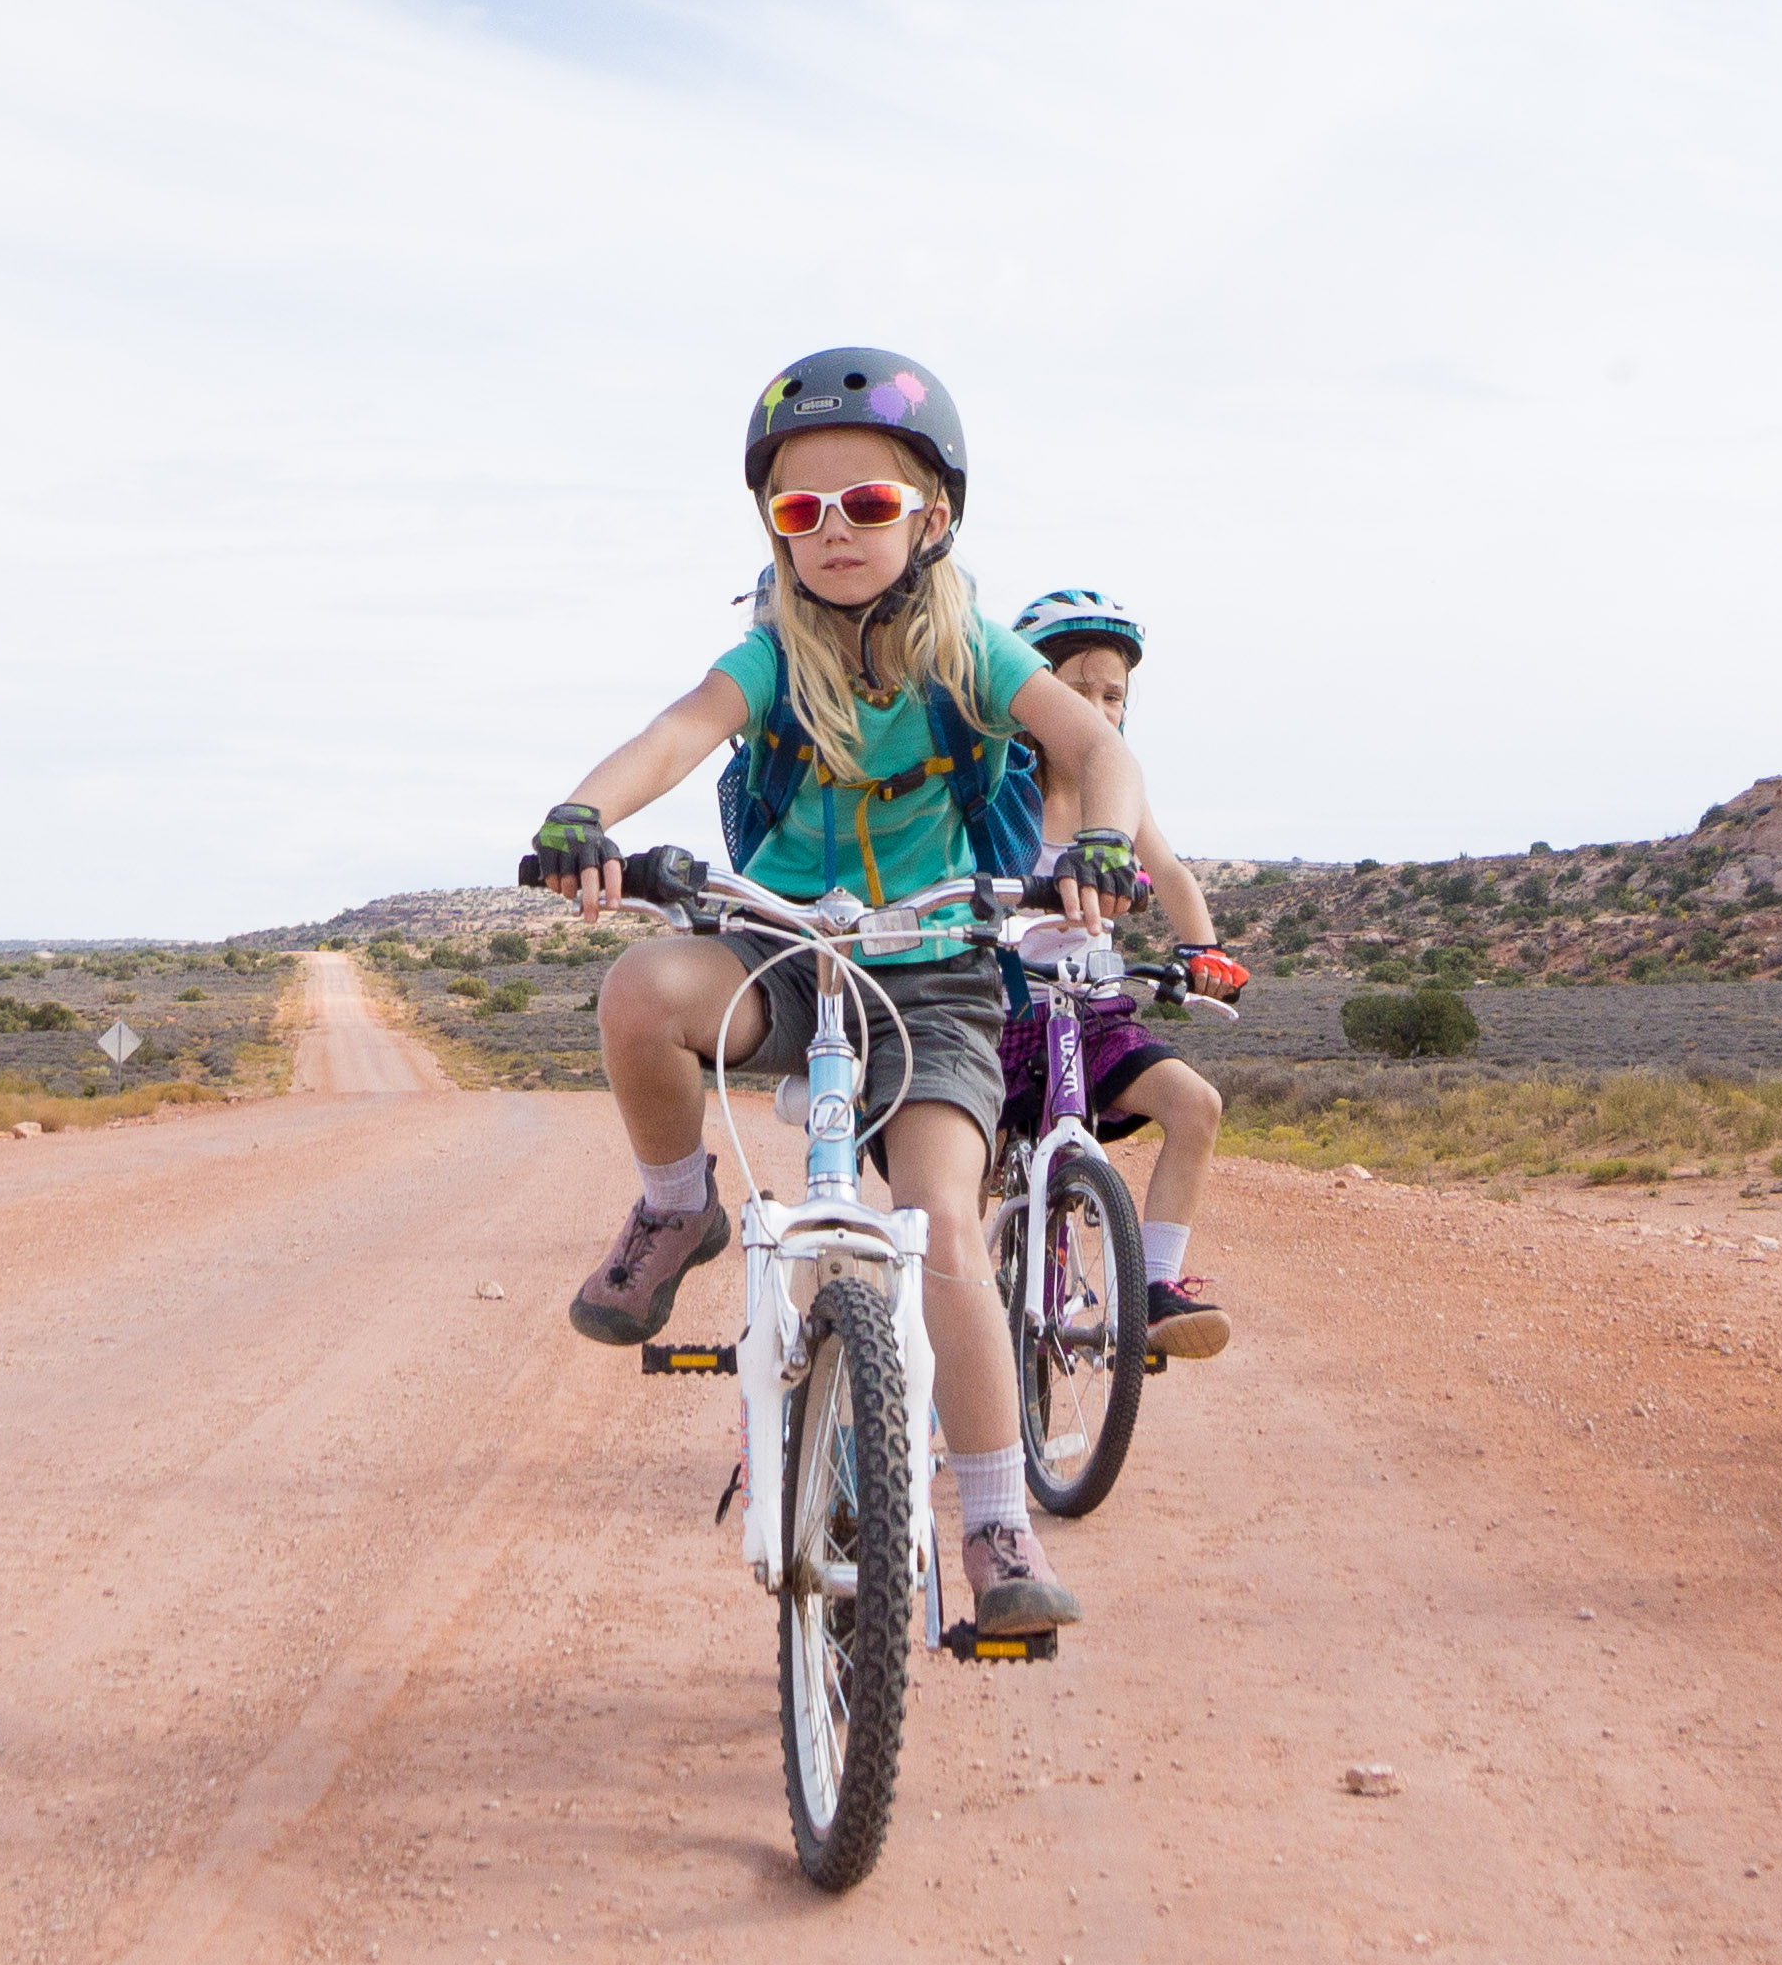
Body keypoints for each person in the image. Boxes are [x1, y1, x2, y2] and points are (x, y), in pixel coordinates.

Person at [527, 348, 1148, 1633]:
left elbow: (1086, 741)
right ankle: (675, 1206)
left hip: (933, 982)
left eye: (866, 504)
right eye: (797, 511)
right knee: (642, 989)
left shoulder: (965, 648)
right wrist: (588, 809)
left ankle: (990, 1531)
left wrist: (1100, 843)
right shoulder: (771, 654)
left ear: (931, 519)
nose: (832, 532)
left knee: (943, 1228)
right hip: (792, 955)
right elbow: (680, 729)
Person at [1000, 587, 1249, 1357]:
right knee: (957, 1170)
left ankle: (1152, 1288)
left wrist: (1200, 950)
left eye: (1113, 695)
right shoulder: (998, 793)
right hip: (1000, 1011)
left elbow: (1168, 872)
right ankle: (952, 1326)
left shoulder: (1119, 791)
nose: (1097, 709)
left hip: (1092, 1013)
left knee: (1195, 1105)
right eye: (1076, 691)